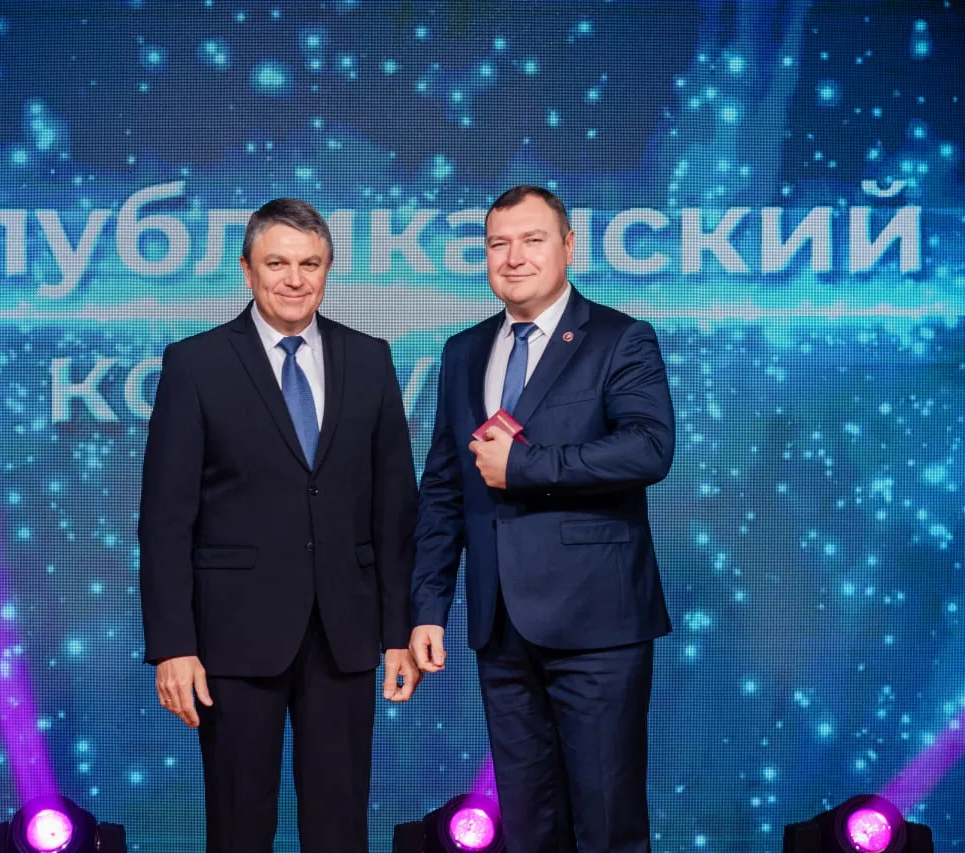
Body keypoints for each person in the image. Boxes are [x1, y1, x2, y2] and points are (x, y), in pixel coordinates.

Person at [138, 198, 420, 852]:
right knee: (239, 826)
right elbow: (165, 520)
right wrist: (173, 645)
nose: (294, 279)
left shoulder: (370, 358)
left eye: (310, 264)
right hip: (232, 638)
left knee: (340, 827)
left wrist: (397, 632)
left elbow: (394, 508)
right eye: (277, 264)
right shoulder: (196, 364)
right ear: (247, 269)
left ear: (328, 270)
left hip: (344, 635)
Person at [410, 185, 675, 853]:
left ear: (568, 246)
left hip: (597, 627)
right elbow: (444, 488)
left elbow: (649, 447)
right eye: (498, 244)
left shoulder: (619, 338)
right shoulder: (464, 350)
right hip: (501, 630)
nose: (513, 257)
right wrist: (427, 607)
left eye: (532, 240)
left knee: (607, 825)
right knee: (528, 829)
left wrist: (526, 465)